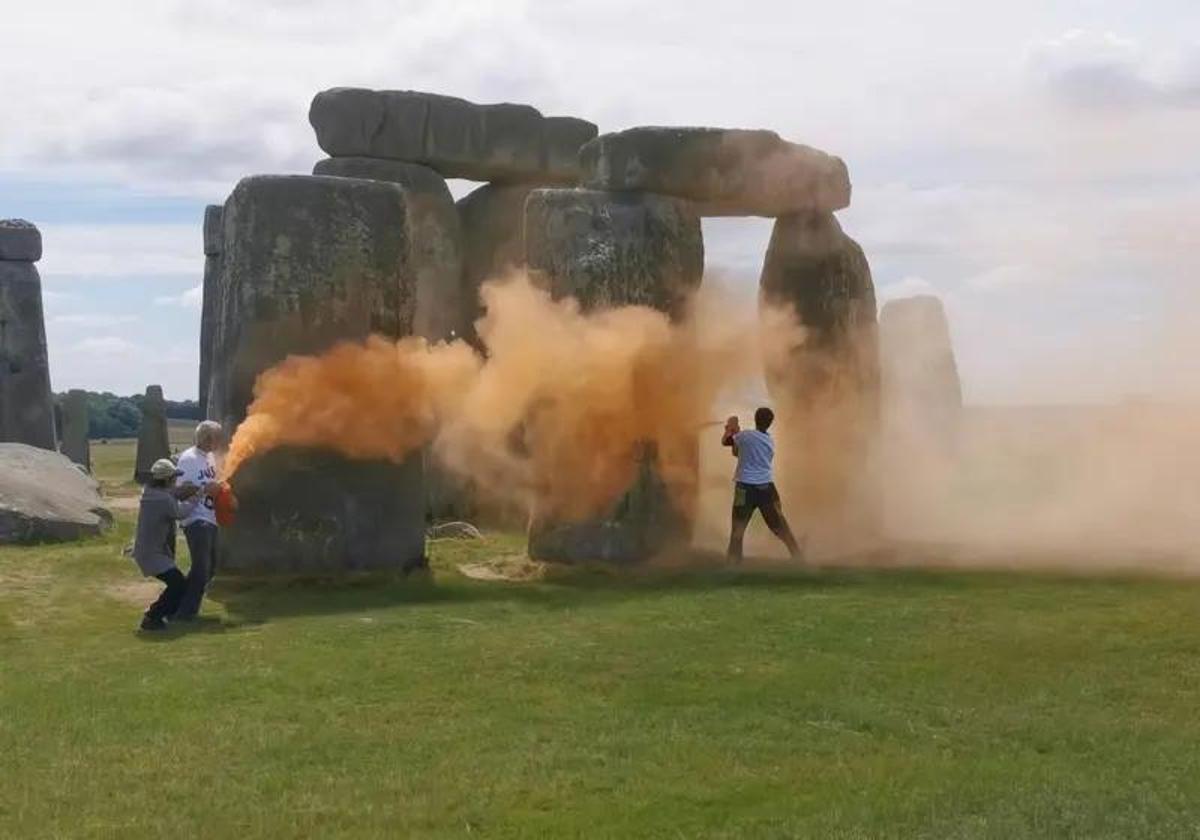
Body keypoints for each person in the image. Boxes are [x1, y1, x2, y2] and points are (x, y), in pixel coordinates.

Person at [722, 406, 803, 561]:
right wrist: (735, 431)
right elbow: (739, 452)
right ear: (770, 423)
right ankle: (797, 555)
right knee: (779, 525)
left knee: (738, 527)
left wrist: (730, 427)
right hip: (765, 488)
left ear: (755, 418)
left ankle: (733, 562)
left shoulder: (745, 436)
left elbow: (727, 442)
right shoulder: (769, 442)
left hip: (743, 488)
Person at [132, 458, 202, 631]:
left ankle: (162, 613)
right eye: (173, 478)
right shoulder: (162, 500)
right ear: (166, 480)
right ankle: (152, 616)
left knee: (178, 584)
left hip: (149, 551)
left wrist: (185, 491)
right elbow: (180, 512)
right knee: (179, 585)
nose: (175, 480)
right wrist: (197, 496)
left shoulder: (152, 492)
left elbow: (171, 494)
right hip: (152, 553)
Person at [174, 420, 224, 621]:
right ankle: (186, 612)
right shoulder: (188, 459)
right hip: (196, 519)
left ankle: (178, 603)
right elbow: (180, 491)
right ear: (206, 438)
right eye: (217, 437)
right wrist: (205, 490)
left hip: (210, 518)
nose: (219, 442)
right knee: (202, 568)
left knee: (209, 567)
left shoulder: (210, 457)